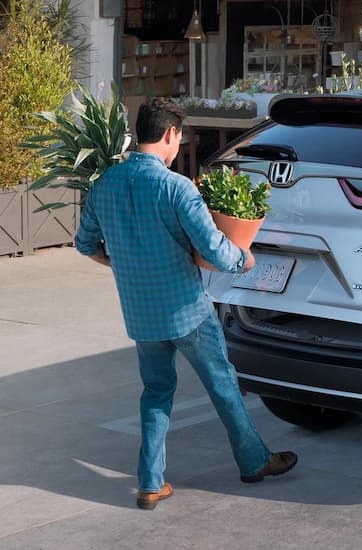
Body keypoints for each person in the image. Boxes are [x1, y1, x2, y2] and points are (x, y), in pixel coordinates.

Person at [75, 98, 297, 510]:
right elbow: (215, 250)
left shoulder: (104, 184)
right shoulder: (175, 187)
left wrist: (122, 265)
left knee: (156, 392)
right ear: (170, 134)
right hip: (187, 312)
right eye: (180, 138)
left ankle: (150, 483)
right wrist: (244, 259)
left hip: (140, 315)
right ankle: (254, 462)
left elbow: (85, 244)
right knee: (223, 386)